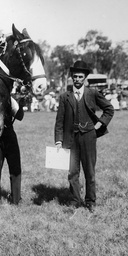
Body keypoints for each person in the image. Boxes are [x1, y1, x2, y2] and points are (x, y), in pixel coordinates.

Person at [54, 60, 114, 212]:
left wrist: (99, 124)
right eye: (75, 77)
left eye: (80, 77)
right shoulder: (64, 97)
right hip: (71, 139)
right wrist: (59, 141)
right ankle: (75, 200)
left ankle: (90, 201)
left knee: (90, 171)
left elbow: (109, 109)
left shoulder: (92, 93)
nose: (77, 80)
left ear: (85, 77)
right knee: (72, 172)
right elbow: (59, 121)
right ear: (71, 77)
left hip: (88, 137)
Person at [0, 96, 25, 205]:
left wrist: (21, 106)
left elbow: (19, 116)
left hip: (9, 135)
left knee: (15, 167)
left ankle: (16, 199)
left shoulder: (10, 99)